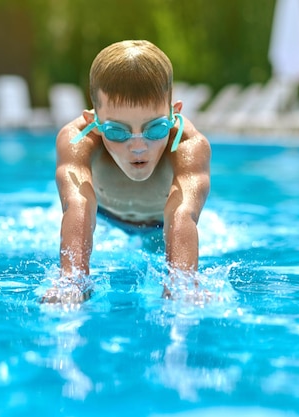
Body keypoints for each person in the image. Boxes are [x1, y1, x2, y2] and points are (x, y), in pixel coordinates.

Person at [42, 40, 211, 304]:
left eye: (155, 129)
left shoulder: (189, 145)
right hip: (106, 221)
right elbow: (77, 205)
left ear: (174, 115)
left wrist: (182, 283)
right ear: (93, 123)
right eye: (117, 131)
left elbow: (182, 213)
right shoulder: (78, 141)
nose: (138, 147)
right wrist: (72, 280)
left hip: (160, 228)